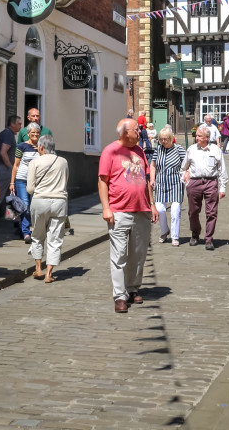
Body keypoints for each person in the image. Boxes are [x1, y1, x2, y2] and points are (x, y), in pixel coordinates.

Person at [98, 118, 158, 313]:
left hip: (142, 210)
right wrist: (106, 208)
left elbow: (147, 180)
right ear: (124, 132)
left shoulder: (140, 151)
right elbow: (103, 181)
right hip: (119, 210)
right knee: (119, 255)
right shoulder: (110, 151)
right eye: (136, 129)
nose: (139, 131)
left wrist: (153, 205)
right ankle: (120, 295)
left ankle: (132, 288)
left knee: (138, 254)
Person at [28, 134, 69, 283]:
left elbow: (30, 188)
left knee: (37, 235)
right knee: (55, 239)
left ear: (41, 147)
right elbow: (65, 182)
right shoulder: (63, 162)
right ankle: (49, 273)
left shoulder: (35, 162)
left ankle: (38, 269)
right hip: (59, 202)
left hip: (40, 202)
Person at [182, 123, 228, 250]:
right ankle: (195, 234)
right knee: (193, 212)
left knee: (212, 212)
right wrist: (186, 181)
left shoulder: (215, 150)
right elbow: (183, 168)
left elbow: (222, 170)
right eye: (196, 135)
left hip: (211, 182)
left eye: (199, 136)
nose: (196, 138)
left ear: (206, 137)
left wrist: (222, 188)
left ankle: (209, 238)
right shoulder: (191, 149)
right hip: (195, 183)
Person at [150, 126, 185, 246]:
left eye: (165, 139)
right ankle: (165, 231)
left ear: (171, 138)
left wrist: (186, 175)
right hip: (160, 183)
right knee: (159, 209)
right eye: (161, 139)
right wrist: (152, 178)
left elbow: (187, 163)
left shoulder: (178, 149)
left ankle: (175, 237)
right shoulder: (158, 149)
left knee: (175, 210)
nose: (163, 141)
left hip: (175, 183)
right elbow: (153, 165)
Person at [9, 123, 40, 244]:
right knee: (25, 205)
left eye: (37, 133)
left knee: (34, 206)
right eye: (33, 133)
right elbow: (16, 165)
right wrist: (12, 182)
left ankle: (33, 230)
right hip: (22, 179)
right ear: (28, 134)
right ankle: (26, 232)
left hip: (36, 181)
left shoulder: (41, 147)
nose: (35, 135)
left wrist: (41, 152)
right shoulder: (21, 146)